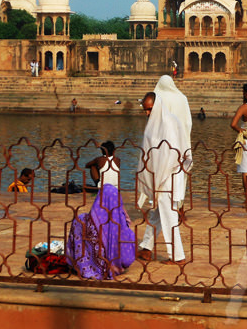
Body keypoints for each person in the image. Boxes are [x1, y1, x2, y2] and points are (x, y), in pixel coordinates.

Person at [137, 76, 192, 264]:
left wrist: (157, 180)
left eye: (149, 109)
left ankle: (177, 256)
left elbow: (168, 155)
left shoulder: (167, 124)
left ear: (157, 106)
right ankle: (146, 247)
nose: (147, 113)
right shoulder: (158, 122)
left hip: (166, 176)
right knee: (157, 214)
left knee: (168, 215)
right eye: (145, 109)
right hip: (161, 175)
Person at [66, 182, 136, 279]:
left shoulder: (82, 221)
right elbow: (128, 259)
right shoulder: (122, 227)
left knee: (79, 222)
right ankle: (111, 266)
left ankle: (85, 266)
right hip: (114, 267)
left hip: (84, 267)